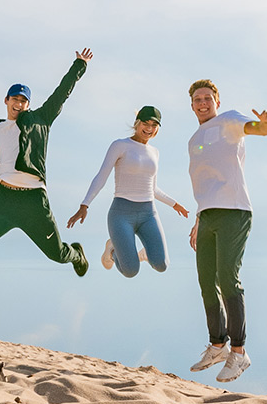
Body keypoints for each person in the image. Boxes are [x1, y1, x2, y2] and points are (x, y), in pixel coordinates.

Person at [0, 49, 94, 275]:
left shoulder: (41, 120)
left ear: (28, 104)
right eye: (15, 99)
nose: (19, 104)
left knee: (57, 254)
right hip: (4, 199)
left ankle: (77, 254)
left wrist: (79, 66)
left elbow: (61, 94)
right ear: (6, 100)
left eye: (23, 101)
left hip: (33, 201)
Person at [183, 79, 267, 383]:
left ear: (217, 102)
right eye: (197, 99)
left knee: (227, 278)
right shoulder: (194, 138)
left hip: (234, 211)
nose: (202, 103)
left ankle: (238, 352)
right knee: (206, 281)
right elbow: (202, 183)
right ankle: (217, 344)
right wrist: (199, 220)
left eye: (208, 98)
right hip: (207, 215)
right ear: (192, 104)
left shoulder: (230, 120)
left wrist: (265, 125)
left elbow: (258, 130)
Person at [66, 106, 191, 277]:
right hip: (121, 214)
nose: (149, 129)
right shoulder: (120, 145)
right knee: (130, 271)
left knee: (162, 265)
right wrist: (84, 205)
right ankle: (112, 250)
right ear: (137, 123)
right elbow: (101, 176)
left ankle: (142, 254)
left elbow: (152, 187)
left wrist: (174, 204)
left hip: (148, 214)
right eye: (146, 123)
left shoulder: (155, 152)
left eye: (154, 125)